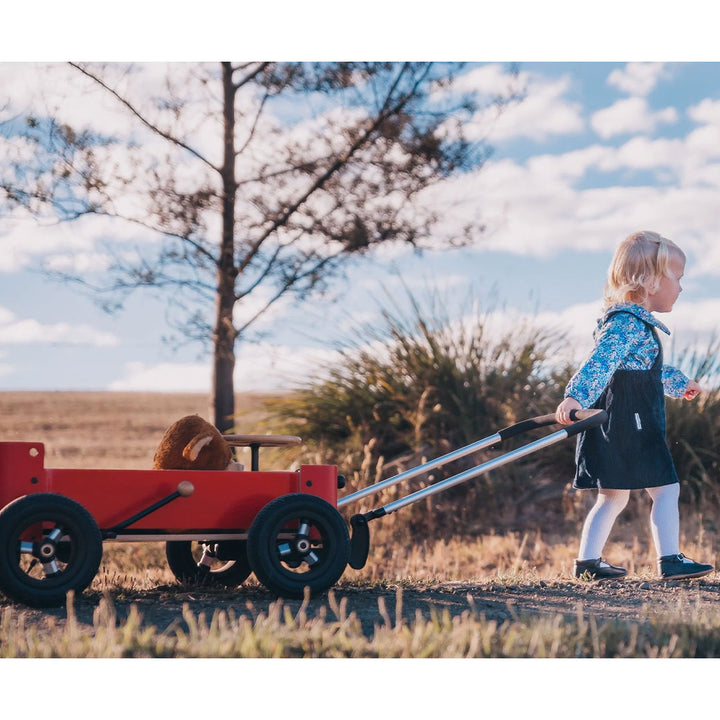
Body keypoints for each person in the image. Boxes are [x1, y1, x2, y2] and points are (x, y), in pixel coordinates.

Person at [555, 230, 713, 581]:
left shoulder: (628, 323)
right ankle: (670, 559)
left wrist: (677, 382)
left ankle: (588, 563)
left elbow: (642, 369)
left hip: (616, 423)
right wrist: (575, 396)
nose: (682, 288)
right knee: (666, 488)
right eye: (678, 278)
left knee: (612, 496)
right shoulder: (627, 323)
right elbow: (600, 362)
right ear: (651, 280)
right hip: (632, 423)